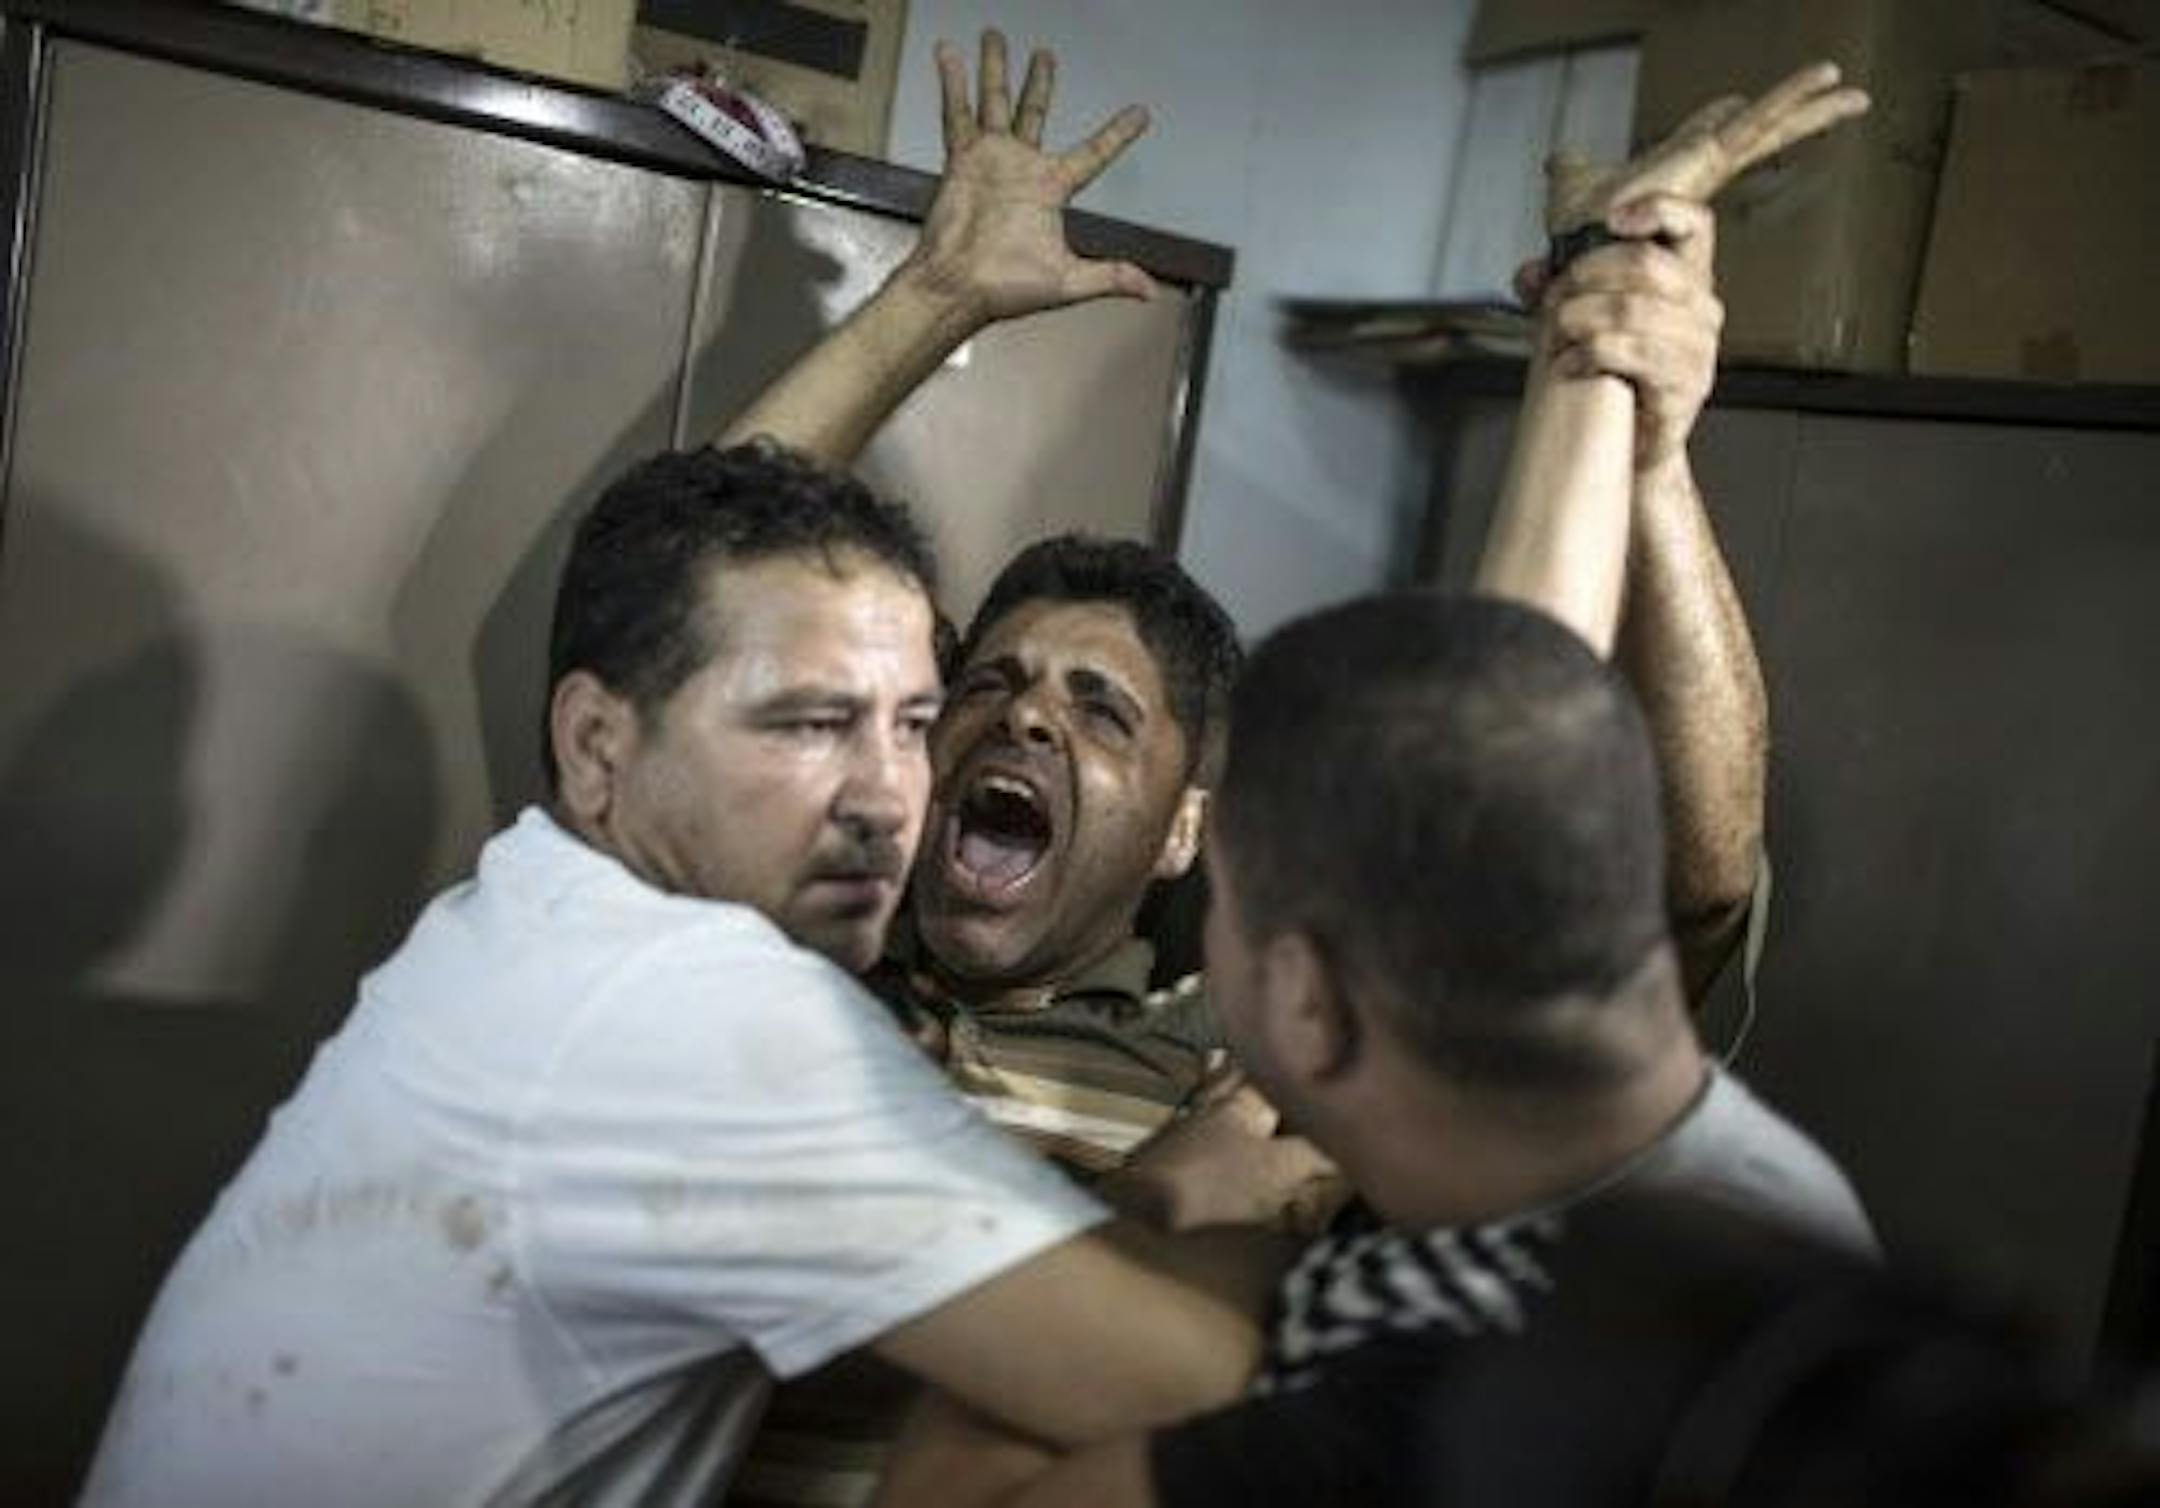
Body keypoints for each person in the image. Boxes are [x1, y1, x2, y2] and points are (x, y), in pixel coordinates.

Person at [864, 63, 1880, 1508]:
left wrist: (1172, 1201)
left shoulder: (1267, 1121)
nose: (1026, 718)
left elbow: (1651, 856)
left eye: (1100, 711)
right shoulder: (799, 986)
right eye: (991, 685)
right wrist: (1596, 358)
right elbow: (1494, 747)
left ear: (1195, 850)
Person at [78, 445, 1283, 1507]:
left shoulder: (539, 905)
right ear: (598, 744)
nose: (884, 797)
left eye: (910, 721)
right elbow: (1176, 1376)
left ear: (1186, 827)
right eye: (808, 723)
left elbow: (669, 600)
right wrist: (1193, 1189)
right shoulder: (701, 1014)